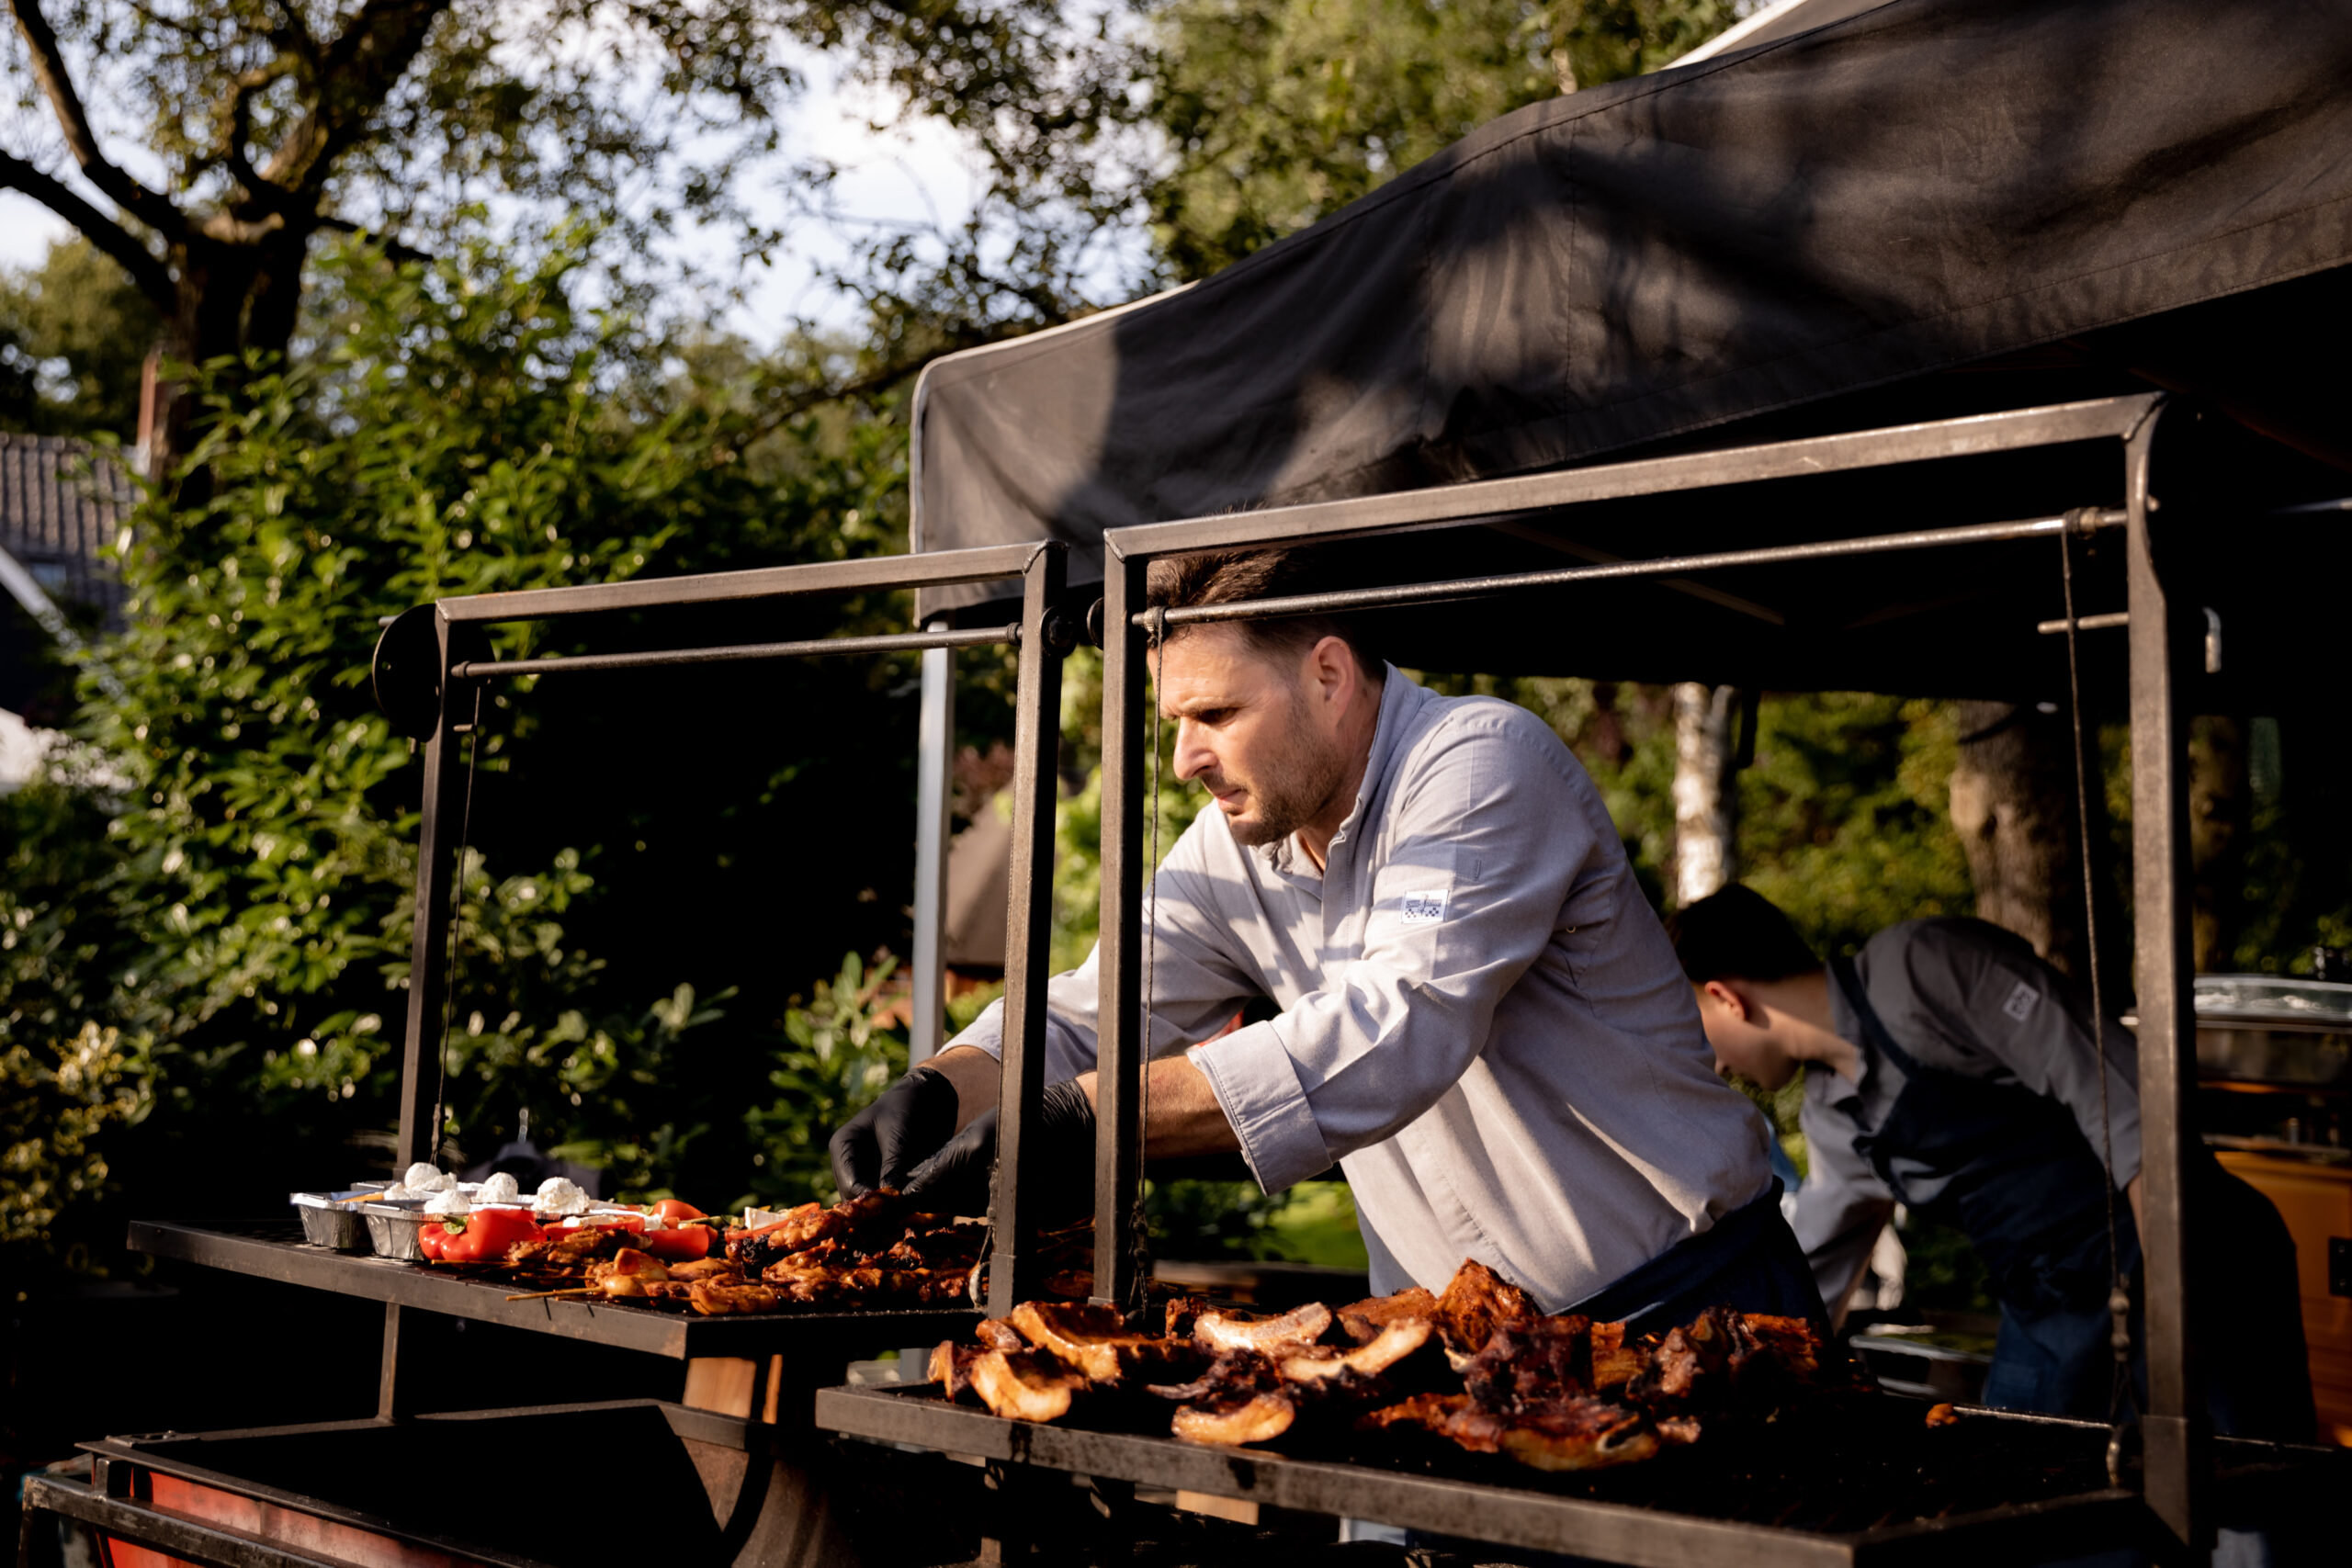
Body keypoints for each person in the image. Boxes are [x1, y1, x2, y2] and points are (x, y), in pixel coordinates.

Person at [831, 547, 1815, 1333]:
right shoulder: (1236, 844)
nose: (1182, 760)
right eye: (1175, 721)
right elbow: (1101, 1010)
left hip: (1690, 1304)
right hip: (1466, 1337)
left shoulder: (1476, 764)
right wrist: (948, 1083)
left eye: (1215, 713)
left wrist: (1089, 1123)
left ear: (1330, 674)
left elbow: (1394, 1029)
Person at [1668, 885, 2312, 1440]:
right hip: (2054, 1311)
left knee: (2247, 1511)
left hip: (2197, 1256)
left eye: (1699, 1031)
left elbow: (2120, 1094)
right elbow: (1814, 1285)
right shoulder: (1834, 1118)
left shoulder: (1922, 967)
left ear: (1727, 996)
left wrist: (2174, 1319)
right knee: (2029, 1519)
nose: (1717, 1064)